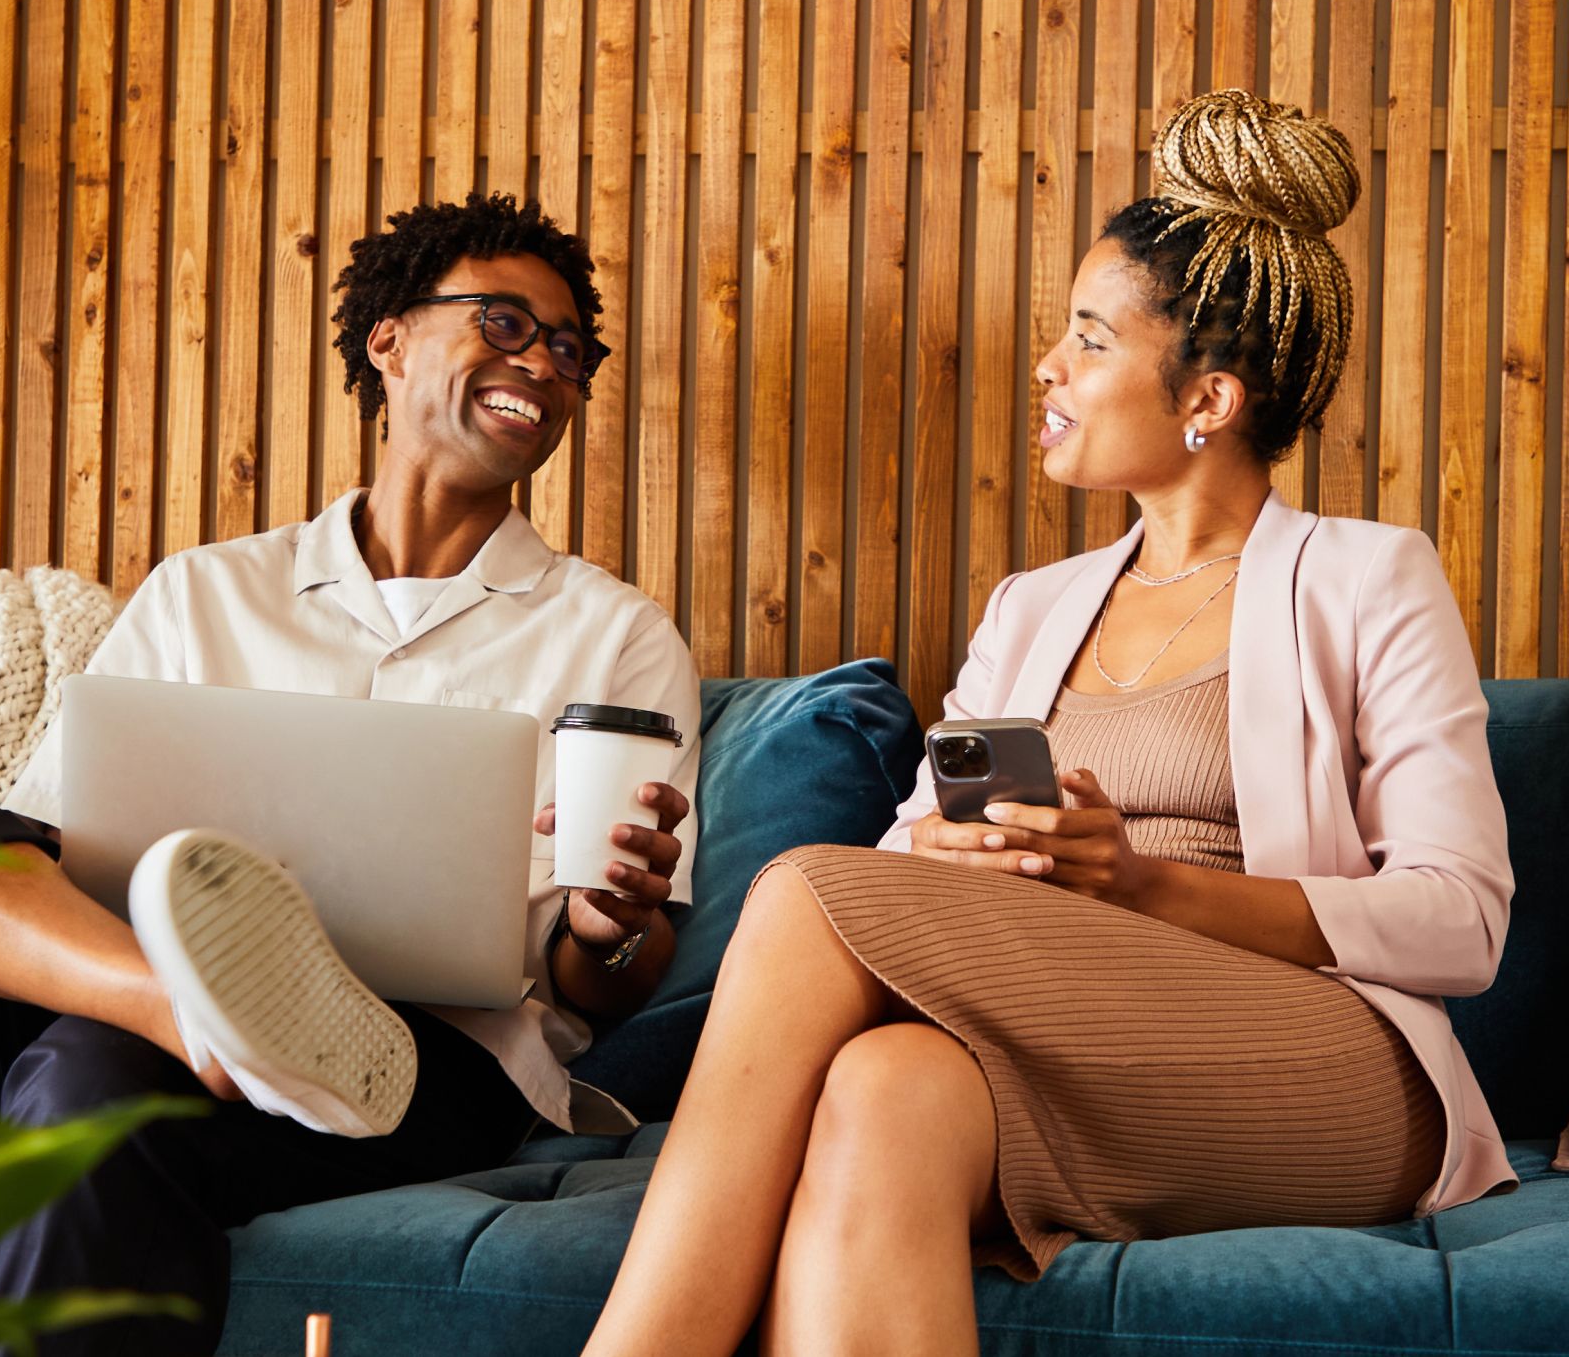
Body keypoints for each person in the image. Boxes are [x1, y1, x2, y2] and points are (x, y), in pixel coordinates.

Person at [582, 90, 1517, 1357]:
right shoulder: (1034, 610)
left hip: (1325, 1057)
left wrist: (1138, 885)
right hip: (1072, 1035)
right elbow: (908, 858)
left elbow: (1460, 921)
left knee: (803, 890)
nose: (1049, 366)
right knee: (885, 1089)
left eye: (1089, 338)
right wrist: (950, 856)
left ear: (1210, 398)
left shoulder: (1365, 576)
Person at [0, 192, 701, 1356]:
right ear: (391, 338)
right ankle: (186, 1012)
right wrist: (155, 990)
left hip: (410, 1064)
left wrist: (608, 920)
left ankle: (175, 1025)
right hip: (108, 986)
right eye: (506, 323)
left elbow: (606, 978)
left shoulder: (615, 636)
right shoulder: (202, 592)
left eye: (570, 348)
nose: (546, 363)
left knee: (81, 1086)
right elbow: (51, 843)